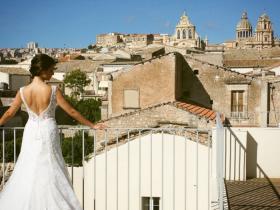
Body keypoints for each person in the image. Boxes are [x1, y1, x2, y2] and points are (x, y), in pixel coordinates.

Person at [0, 54, 105, 209]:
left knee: (29, 165)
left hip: (31, 130)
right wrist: (92, 125)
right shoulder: (53, 90)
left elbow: (9, 113)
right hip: (48, 129)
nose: (53, 73)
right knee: (51, 165)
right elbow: (72, 112)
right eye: (51, 70)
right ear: (42, 70)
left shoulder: (22, 91)